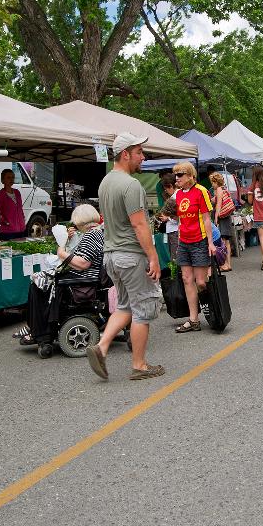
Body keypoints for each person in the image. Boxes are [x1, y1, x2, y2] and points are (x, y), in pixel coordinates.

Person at [87, 132, 165, 381]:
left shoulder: (105, 182)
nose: (143, 157)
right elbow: (139, 225)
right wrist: (153, 256)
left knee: (124, 306)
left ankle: (101, 346)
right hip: (131, 256)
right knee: (143, 309)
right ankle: (139, 365)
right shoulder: (131, 185)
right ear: (125, 154)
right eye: (139, 153)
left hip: (111, 256)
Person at [17, 204, 105, 346]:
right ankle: (34, 326)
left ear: (81, 221)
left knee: (37, 284)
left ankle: (39, 331)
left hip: (82, 277)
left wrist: (62, 252)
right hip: (85, 275)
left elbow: (83, 263)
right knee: (40, 279)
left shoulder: (90, 236)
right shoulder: (97, 233)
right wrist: (68, 240)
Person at [171, 161, 217, 333]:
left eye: (180, 174)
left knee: (201, 282)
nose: (177, 178)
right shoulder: (178, 194)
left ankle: (212, 308)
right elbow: (179, 217)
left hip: (199, 241)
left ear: (190, 175)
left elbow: (206, 219)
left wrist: (211, 243)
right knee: (186, 279)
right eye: (176, 175)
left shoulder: (201, 191)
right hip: (184, 241)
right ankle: (193, 320)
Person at [209, 172, 235, 271]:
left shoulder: (219, 189)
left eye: (212, 182)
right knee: (226, 242)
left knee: (223, 242)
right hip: (226, 217)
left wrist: (216, 218)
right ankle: (228, 263)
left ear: (216, 181)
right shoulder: (223, 189)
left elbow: (219, 205)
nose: (212, 184)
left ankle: (225, 264)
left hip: (222, 218)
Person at [0, 168, 27, 240]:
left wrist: (23, 219)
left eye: (13, 177)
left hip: (21, 228)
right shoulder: (0, 195)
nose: (11, 180)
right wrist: (6, 222)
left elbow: (20, 208)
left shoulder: (17, 192)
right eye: (8, 177)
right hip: (8, 231)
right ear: (2, 180)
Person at [156, 173, 179, 263]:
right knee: (174, 255)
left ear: (170, 186)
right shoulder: (175, 196)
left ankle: (177, 275)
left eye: (166, 189)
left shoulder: (175, 197)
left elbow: (180, 216)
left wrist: (167, 218)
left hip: (175, 230)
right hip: (173, 230)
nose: (165, 191)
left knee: (175, 256)